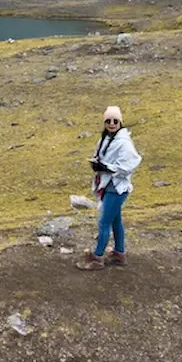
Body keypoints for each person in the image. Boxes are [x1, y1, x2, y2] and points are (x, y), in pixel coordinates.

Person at [76, 106, 142, 271]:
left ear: (120, 121)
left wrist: (107, 167)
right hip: (109, 186)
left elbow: (130, 164)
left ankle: (97, 257)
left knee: (104, 222)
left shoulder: (124, 143)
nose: (111, 124)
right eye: (108, 121)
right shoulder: (106, 138)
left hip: (117, 188)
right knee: (115, 221)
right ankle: (119, 254)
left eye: (115, 121)